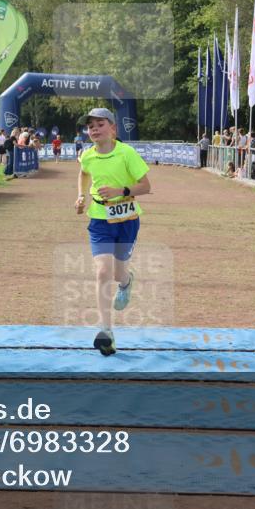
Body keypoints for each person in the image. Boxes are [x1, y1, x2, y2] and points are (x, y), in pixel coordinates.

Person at [74, 108, 151, 357]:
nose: (94, 129)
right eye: (90, 126)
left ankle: (127, 282)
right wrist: (81, 196)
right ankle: (106, 331)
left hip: (127, 220)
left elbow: (145, 186)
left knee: (118, 274)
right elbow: (84, 173)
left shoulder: (126, 153)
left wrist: (120, 191)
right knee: (102, 272)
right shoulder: (87, 156)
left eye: (100, 124)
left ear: (113, 128)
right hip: (99, 220)